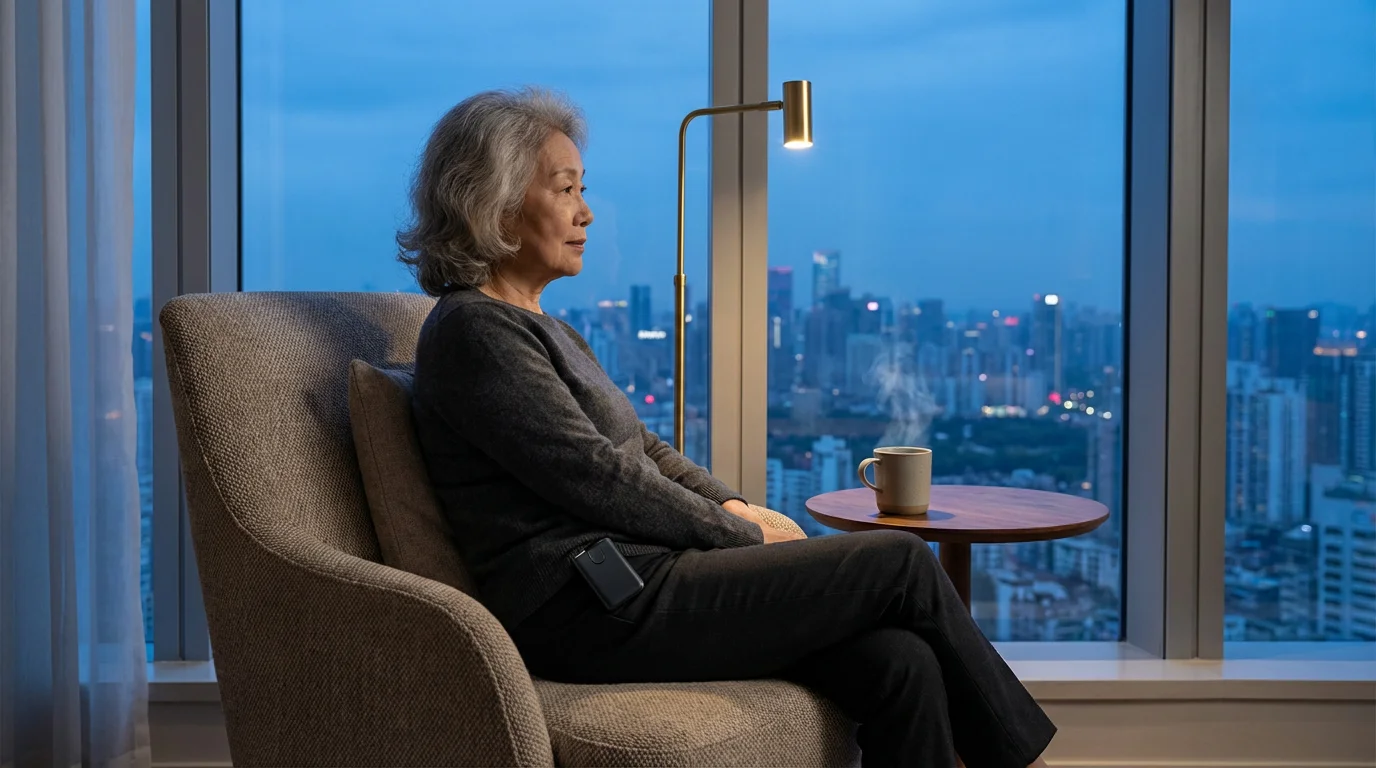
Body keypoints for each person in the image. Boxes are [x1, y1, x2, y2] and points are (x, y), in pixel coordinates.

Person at [403, 87, 1056, 768]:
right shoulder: (474, 332)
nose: (587, 212)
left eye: (582, 189)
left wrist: (733, 503)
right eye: (565, 189)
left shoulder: (546, 328)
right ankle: (1027, 762)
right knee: (895, 561)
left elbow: (644, 449)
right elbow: (597, 477)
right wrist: (744, 539)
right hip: (589, 606)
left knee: (901, 661)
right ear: (496, 202)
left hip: (642, 575)